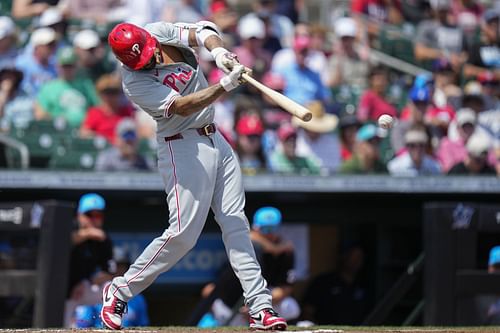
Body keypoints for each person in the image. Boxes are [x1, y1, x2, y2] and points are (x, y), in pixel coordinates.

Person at [101, 20, 287, 331]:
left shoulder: (156, 31)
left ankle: (261, 307)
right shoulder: (134, 81)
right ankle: (120, 289)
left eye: (149, 51)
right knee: (183, 234)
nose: (152, 58)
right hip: (182, 145)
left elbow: (201, 32)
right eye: (143, 58)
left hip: (216, 138)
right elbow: (183, 107)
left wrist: (220, 54)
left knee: (236, 223)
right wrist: (224, 86)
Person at [65, 193, 114, 328]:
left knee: (112, 288)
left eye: (97, 215)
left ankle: (111, 324)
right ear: (79, 215)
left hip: (83, 288)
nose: (93, 220)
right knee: (60, 327)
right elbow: (62, 243)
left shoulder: (103, 240)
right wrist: (86, 233)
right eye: (89, 215)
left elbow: (109, 271)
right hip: (61, 293)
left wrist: (87, 282)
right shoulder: (68, 228)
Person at [74, 248, 150, 328]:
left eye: (122, 266)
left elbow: (143, 325)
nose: (119, 270)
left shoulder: (137, 297)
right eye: (116, 266)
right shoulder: (96, 291)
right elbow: (83, 322)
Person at [302, 242, 367, 325]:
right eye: (353, 256)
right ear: (343, 256)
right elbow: (307, 312)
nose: (356, 261)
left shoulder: (362, 284)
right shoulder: (323, 282)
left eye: (359, 257)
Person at [34, 46, 99, 127]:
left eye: (70, 65)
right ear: (57, 66)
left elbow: (98, 109)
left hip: (84, 129)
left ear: (76, 65)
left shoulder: (86, 85)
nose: (68, 69)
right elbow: (40, 114)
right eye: (65, 66)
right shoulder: (48, 88)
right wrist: (55, 120)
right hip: (59, 131)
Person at [80, 74, 135, 144]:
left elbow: (136, 131)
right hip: (101, 149)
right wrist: (104, 139)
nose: (111, 96)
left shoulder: (126, 111)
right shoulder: (95, 112)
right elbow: (84, 133)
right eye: (107, 92)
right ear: (100, 94)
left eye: (114, 92)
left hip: (123, 150)